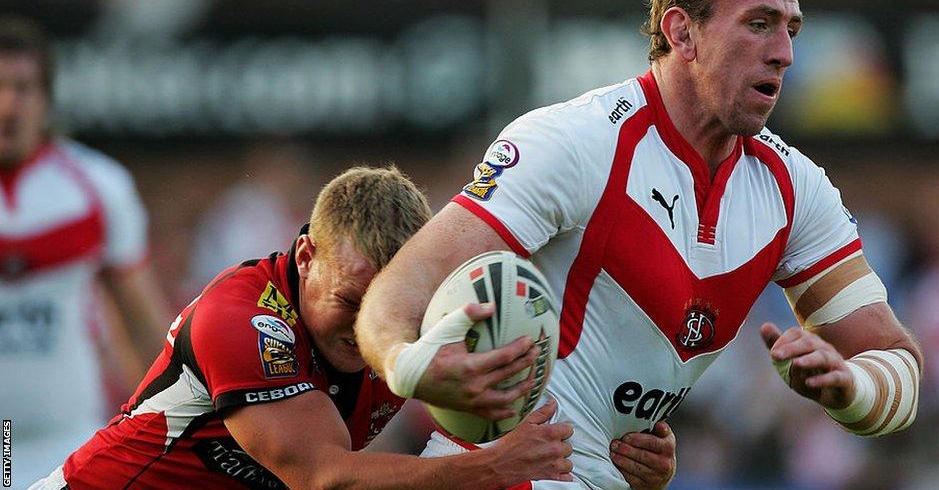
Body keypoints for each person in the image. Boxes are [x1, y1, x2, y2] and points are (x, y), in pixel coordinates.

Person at [356, 0, 923, 490]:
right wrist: (416, 368)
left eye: (790, 30)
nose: (784, 54)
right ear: (683, 32)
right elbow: (398, 292)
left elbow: (898, 362)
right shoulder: (576, 144)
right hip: (506, 473)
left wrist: (851, 390)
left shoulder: (794, 188)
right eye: (758, 25)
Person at [32, 166, 578, 489]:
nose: (368, 326)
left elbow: (526, 413)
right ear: (306, 256)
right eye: (350, 300)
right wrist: (488, 468)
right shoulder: (241, 318)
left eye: (386, 303)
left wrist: (631, 442)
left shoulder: (417, 321)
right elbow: (323, 478)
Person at [0, 15, 169, 486]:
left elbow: (142, 323)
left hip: (66, 441)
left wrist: (166, 430)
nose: (8, 104)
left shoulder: (99, 186)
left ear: (47, 100)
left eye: (23, 87)